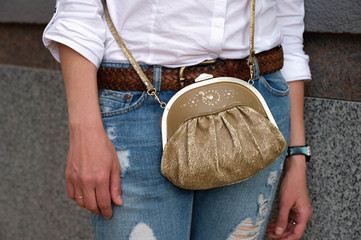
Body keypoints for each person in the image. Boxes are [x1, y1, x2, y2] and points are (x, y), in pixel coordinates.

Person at [43, 0, 313, 239]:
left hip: (254, 111)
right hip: (138, 108)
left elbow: (287, 23)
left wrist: (296, 157)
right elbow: (78, 11)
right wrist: (84, 131)